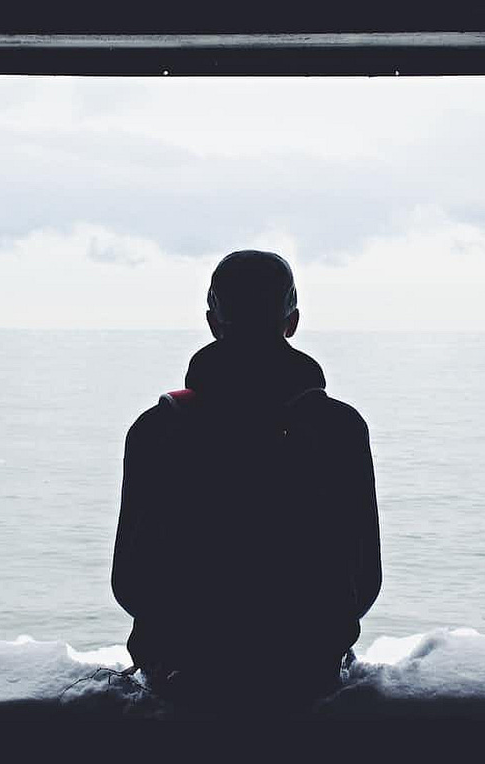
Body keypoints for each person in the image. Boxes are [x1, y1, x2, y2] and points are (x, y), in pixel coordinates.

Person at [111, 250, 382, 715]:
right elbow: (364, 578)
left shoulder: (157, 429)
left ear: (213, 321)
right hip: (303, 671)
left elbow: (129, 581)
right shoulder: (340, 429)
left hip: (184, 671)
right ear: (292, 321)